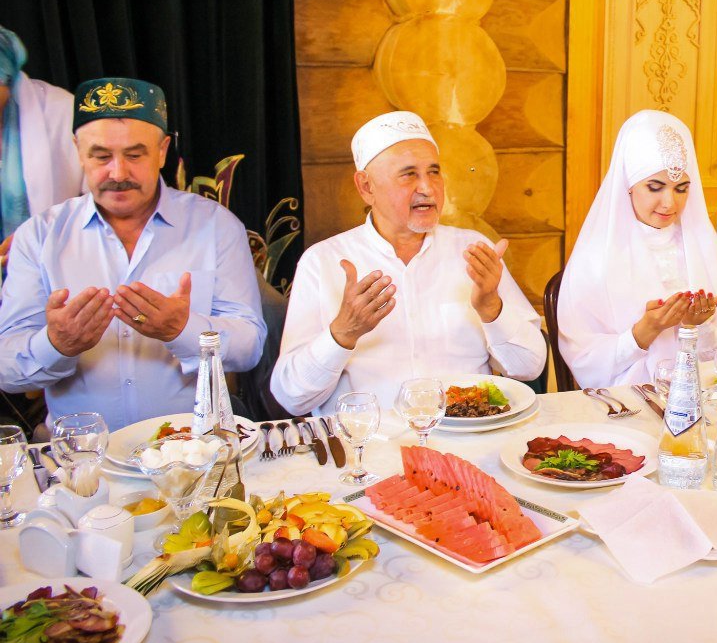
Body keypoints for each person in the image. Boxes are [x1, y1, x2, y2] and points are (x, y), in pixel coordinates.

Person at [0, 77, 266, 430]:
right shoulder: (39, 236)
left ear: (162, 150)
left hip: (194, 447)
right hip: (82, 454)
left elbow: (250, 347)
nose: (118, 172)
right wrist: (55, 344)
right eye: (101, 156)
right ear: (78, 150)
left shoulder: (216, 226)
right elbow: (6, 369)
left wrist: (183, 330)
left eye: (135, 155)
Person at [272, 112, 544, 415]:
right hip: (369, 440)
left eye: (434, 172)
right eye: (409, 174)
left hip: (467, 434)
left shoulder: (472, 251)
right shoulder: (323, 262)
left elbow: (529, 368)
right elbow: (291, 397)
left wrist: (491, 307)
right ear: (366, 187)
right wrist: (343, 333)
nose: (427, 188)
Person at [558, 110, 717, 387]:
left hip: (704, 395)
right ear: (629, 185)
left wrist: (699, 326)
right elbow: (583, 360)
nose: (669, 203)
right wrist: (644, 332)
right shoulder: (595, 260)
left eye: (681, 189)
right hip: (626, 401)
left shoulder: (705, 248)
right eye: (655, 187)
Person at [0, 27, 82, 276]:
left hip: (55, 272)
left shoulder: (62, 112)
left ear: (8, 77)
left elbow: (108, 202)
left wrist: (40, 237)